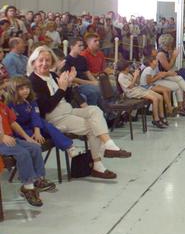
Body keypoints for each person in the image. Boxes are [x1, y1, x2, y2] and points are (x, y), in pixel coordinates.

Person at [28, 45, 130, 180]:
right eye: (41, 60)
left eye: (47, 60)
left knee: (95, 110)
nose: (44, 63)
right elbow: (46, 107)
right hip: (54, 118)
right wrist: (62, 89)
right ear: (33, 62)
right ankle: (98, 164)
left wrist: (69, 84)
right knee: (92, 127)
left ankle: (109, 144)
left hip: (67, 110)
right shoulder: (32, 81)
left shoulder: (52, 75)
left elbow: (67, 98)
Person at [6, 76, 80, 159]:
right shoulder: (9, 105)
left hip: (34, 125)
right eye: (21, 89)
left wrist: (37, 131)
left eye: (27, 88)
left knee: (45, 124)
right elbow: (13, 124)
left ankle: (69, 146)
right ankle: (54, 132)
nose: (26, 90)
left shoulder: (31, 100)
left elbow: (35, 115)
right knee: (36, 134)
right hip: (21, 129)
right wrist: (33, 134)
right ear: (13, 91)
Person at [0, 99, 55, 207]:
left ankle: (38, 180)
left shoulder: (2, 105)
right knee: (23, 153)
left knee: (35, 147)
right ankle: (28, 187)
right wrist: (1, 137)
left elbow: (13, 123)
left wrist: (27, 138)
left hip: (10, 139)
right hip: (1, 141)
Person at [117, 60, 168, 129]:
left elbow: (137, 83)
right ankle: (156, 119)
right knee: (155, 99)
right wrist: (135, 76)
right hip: (132, 93)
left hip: (138, 89)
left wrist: (137, 76)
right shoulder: (121, 77)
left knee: (160, 97)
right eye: (128, 66)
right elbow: (130, 86)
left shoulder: (128, 74)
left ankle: (162, 116)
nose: (130, 67)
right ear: (125, 68)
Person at [64, 38, 103, 109]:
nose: (82, 48)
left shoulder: (82, 58)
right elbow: (72, 79)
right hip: (76, 85)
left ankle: (106, 112)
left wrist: (95, 81)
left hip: (85, 82)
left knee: (103, 87)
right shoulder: (66, 60)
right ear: (72, 47)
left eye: (82, 45)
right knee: (94, 91)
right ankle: (92, 112)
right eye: (79, 46)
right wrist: (90, 83)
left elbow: (87, 72)